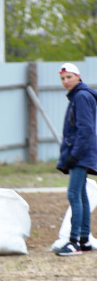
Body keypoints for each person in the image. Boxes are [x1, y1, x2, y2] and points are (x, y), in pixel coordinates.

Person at [55, 63, 97, 256]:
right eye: (63, 78)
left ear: (78, 77)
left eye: (69, 77)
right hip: (83, 153)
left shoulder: (81, 97)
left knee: (74, 194)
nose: (66, 81)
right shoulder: (79, 96)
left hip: (81, 154)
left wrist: (74, 155)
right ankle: (84, 239)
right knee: (81, 195)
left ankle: (74, 242)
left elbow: (86, 130)